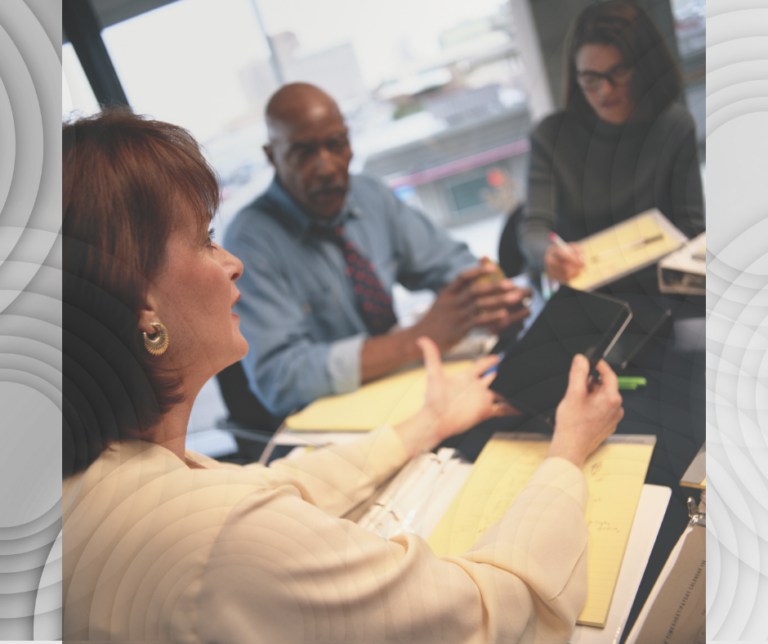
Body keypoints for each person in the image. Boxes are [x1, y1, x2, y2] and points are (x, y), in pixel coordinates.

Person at [62, 110, 624, 643]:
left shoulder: (98, 481)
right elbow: (491, 614)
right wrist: (568, 451)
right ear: (144, 307)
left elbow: (267, 488)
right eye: (205, 239)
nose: (232, 262)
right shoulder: (219, 537)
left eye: (338, 142)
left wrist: (426, 424)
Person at [224, 83, 532, 417]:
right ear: (272, 156)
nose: (326, 167)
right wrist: (415, 340)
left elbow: (449, 263)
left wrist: (488, 299)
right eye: (303, 153)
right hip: (331, 421)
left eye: (336, 144)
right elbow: (280, 378)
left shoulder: (370, 194)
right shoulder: (250, 241)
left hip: (400, 392)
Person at [518, 0, 705, 285]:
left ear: (645, 66)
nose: (604, 90)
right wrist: (547, 254)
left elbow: (693, 227)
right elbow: (534, 228)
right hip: (589, 289)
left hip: (664, 283)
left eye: (618, 73)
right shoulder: (551, 135)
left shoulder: (674, 126)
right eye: (590, 79)